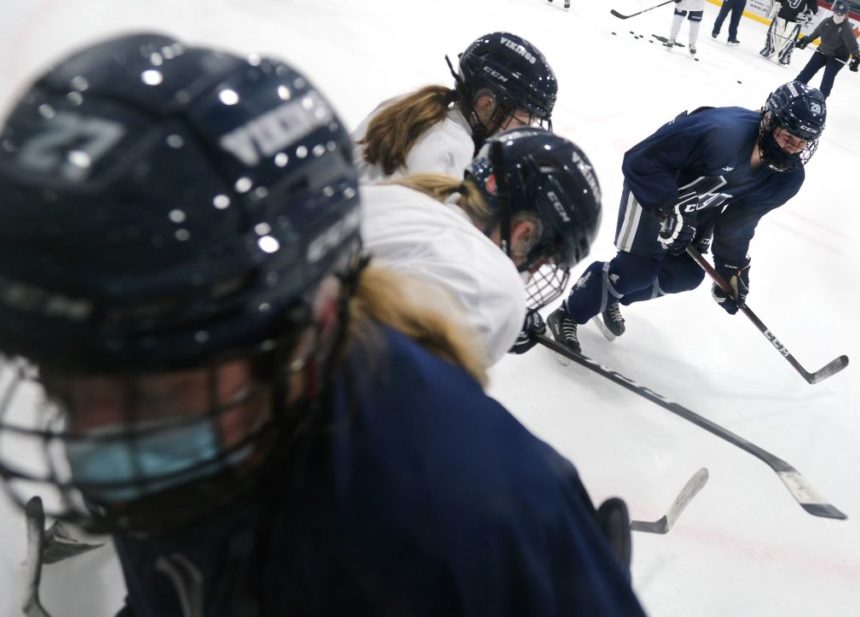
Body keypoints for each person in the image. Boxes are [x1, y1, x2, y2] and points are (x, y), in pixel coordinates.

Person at [0, 33, 648, 617]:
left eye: (161, 375)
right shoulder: (237, 407)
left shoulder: (455, 495)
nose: (90, 425)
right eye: (70, 378)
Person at [547, 81, 827, 354]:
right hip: (652, 192)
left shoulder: (785, 178)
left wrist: (731, 270)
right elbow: (641, 160)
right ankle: (568, 313)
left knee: (685, 275)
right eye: (788, 137)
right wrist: (667, 210)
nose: (792, 148)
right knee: (638, 269)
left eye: (803, 142)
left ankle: (607, 294)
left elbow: (738, 225)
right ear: (768, 120)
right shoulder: (722, 130)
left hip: (695, 210)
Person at [361, 127, 602, 366]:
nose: (535, 270)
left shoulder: (398, 196)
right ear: (524, 233)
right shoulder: (493, 294)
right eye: (543, 259)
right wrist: (499, 323)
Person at [351, 31, 557, 183]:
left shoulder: (404, 105)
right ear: (486, 104)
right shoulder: (452, 154)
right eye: (522, 121)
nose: (525, 132)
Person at [793, 1, 860, 98]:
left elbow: (853, 45)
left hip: (837, 57)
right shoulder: (826, 22)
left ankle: (821, 98)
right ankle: (794, 89)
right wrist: (805, 41)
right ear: (833, 11)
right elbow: (815, 34)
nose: (838, 15)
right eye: (837, 12)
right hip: (822, 52)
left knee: (827, 79)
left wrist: (856, 58)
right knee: (806, 72)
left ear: (845, 15)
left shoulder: (846, 28)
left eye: (841, 13)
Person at [760, 0, 818, 66]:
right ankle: (769, 48)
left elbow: (813, 6)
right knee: (774, 31)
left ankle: (785, 54)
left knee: (791, 38)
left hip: (795, 20)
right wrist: (775, 5)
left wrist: (808, 13)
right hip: (781, 14)